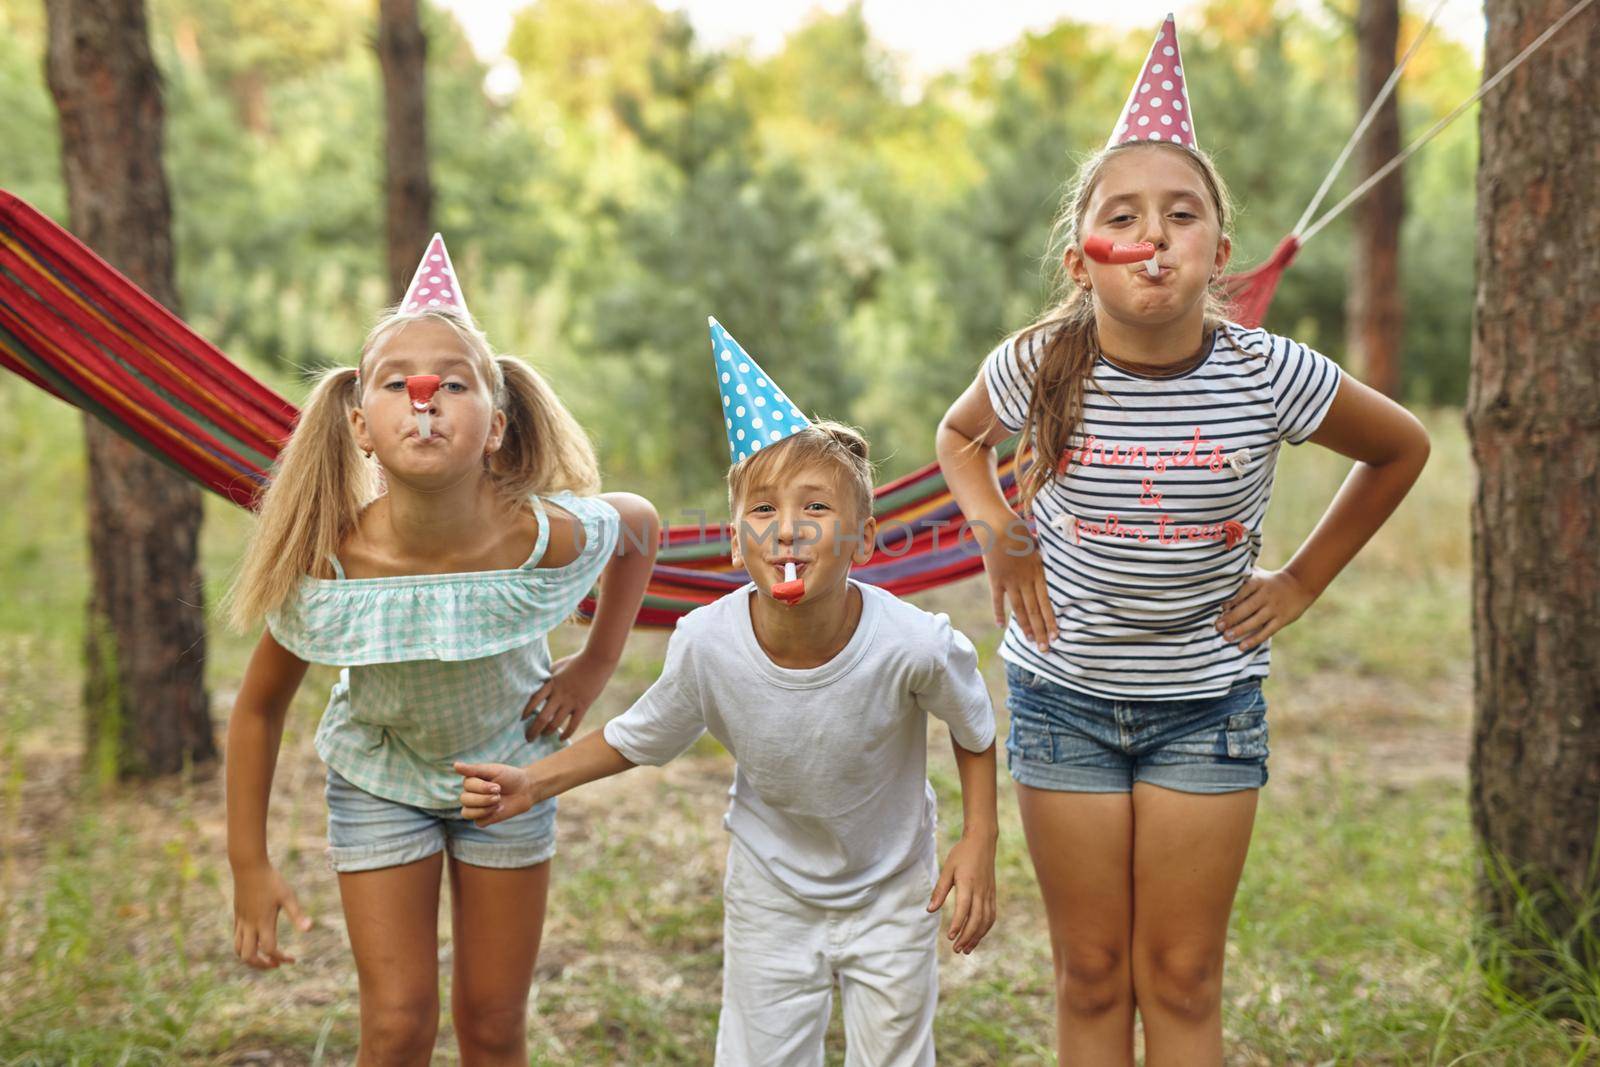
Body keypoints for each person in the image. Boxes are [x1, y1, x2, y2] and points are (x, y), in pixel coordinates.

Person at [934, 18, 1431, 1067]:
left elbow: (1400, 447)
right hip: (1062, 695)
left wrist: (1302, 578)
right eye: (1123, 216)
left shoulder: (1267, 373)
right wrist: (997, 536)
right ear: (1082, 257)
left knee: (1180, 975)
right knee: (1093, 973)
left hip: (1205, 704)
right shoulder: (1038, 360)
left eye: (1181, 214)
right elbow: (958, 436)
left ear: (1220, 248)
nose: (1153, 235)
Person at [454, 318, 999, 1067]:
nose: (788, 529)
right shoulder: (708, 642)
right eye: (765, 510)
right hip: (772, 892)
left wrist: (979, 841)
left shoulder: (913, 643)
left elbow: (974, 726)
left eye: (817, 508)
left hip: (892, 891)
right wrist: (531, 781)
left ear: (864, 541)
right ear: (737, 540)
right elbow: (638, 736)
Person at [224, 234, 659, 1064]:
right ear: (361, 425)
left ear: (495, 426)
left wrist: (595, 663)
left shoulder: (539, 535)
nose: (425, 395)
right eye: (397, 380)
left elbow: (637, 524)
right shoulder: (333, 559)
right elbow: (258, 706)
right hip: (381, 776)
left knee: (493, 1025)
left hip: (508, 773)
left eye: (453, 382)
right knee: (397, 1025)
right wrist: (249, 862)